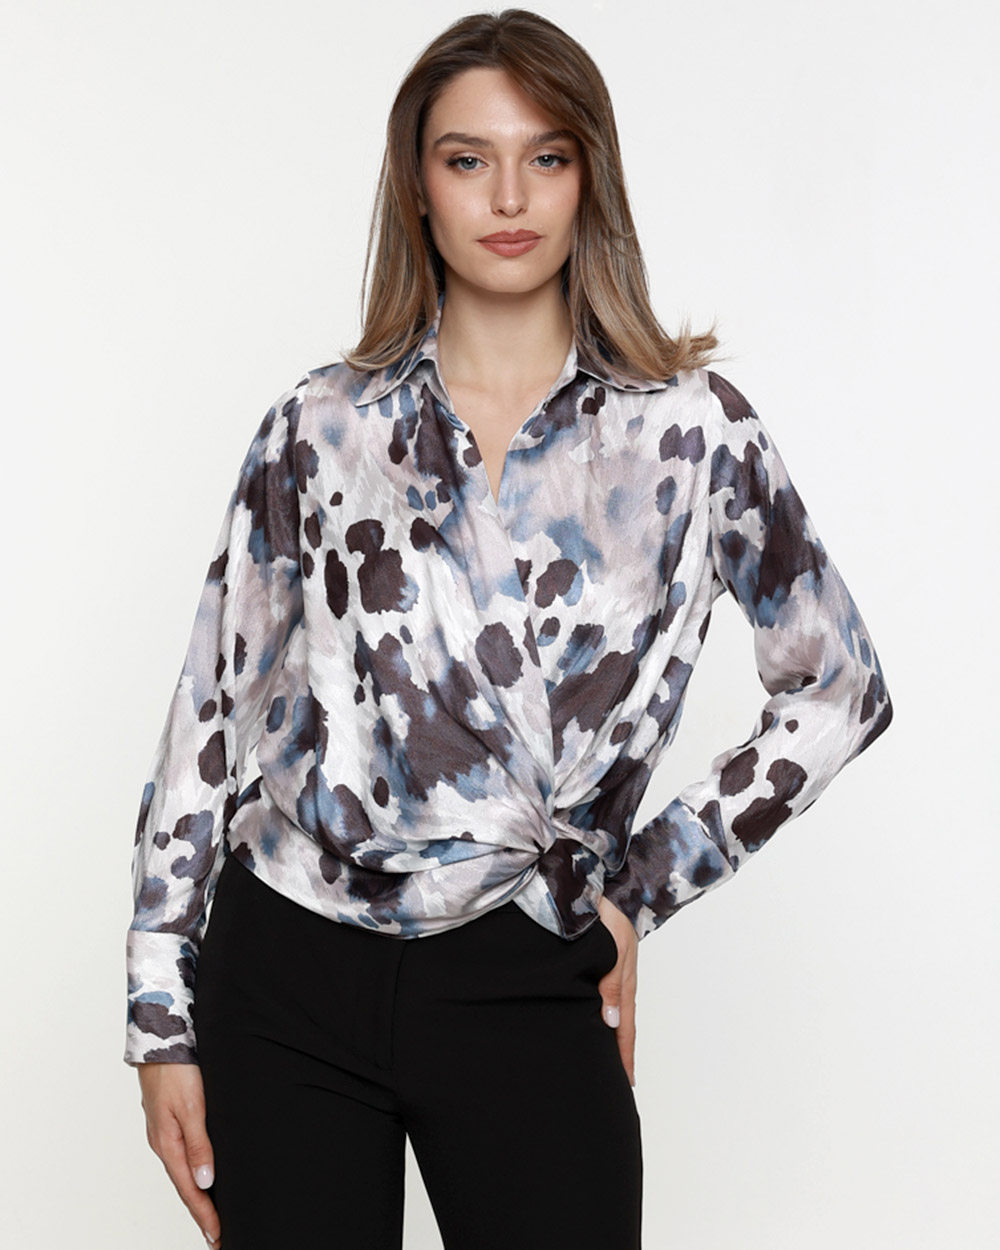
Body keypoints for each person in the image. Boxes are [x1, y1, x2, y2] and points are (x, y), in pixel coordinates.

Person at [124, 9, 893, 1249]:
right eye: (466, 158)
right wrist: (160, 1009)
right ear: (417, 186)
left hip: (524, 966)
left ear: (591, 177)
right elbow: (212, 710)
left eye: (546, 156)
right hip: (287, 966)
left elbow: (837, 688)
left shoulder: (692, 431)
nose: (508, 196)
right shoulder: (320, 425)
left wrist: (637, 887)